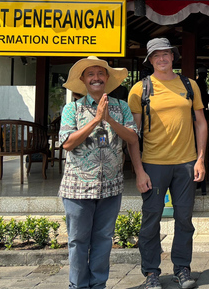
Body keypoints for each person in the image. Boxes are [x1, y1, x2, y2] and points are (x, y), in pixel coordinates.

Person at [127, 38, 208, 289]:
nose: (162, 59)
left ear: (173, 57)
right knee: (151, 218)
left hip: (186, 163)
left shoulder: (189, 85)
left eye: (166, 54)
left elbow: (201, 123)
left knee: (184, 218)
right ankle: (151, 272)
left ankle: (182, 268)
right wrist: (139, 171)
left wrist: (201, 159)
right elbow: (133, 135)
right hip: (153, 163)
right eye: (156, 55)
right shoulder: (139, 89)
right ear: (150, 60)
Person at [59, 56, 137, 289]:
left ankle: (98, 285)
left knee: (103, 240)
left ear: (107, 78)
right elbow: (67, 143)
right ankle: (78, 286)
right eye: (90, 74)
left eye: (100, 73)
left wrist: (109, 118)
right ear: (83, 80)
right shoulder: (72, 108)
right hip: (78, 187)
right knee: (78, 241)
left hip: (111, 187)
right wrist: (95, 120)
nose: (96, 78)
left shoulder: (121, 107)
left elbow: (133, 138)